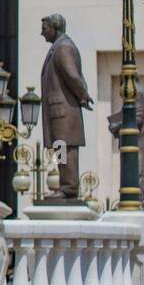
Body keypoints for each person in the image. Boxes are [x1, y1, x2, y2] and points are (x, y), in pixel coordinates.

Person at [39, 14, 93, 200]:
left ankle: (68, 187)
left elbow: (73, 76)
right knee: (60, 148)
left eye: (44, 28)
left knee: (65, 147)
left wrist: (83, 94)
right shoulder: (59, 47)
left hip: (64, 112)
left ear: (55, 28)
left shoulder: (63, 48)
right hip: (60, 112)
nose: (41, 33)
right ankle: (65, 184)